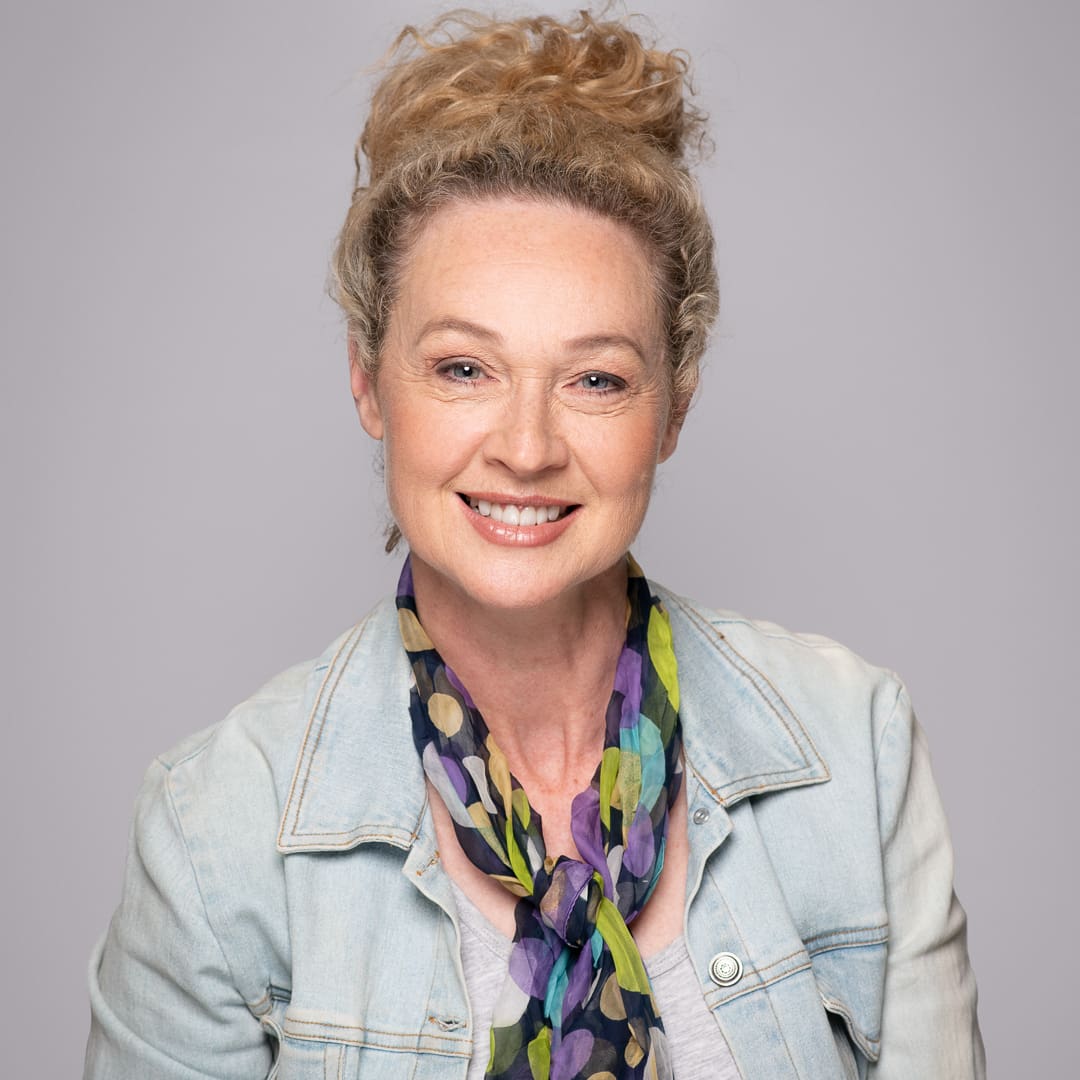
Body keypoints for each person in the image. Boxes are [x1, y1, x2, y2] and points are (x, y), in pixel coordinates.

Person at [84, 11, 984, 1080]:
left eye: (595, 378)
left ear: (674, 410)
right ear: (371, 382)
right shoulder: (213, 833)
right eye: (464, 367)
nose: (525, 446)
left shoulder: (854, 755)